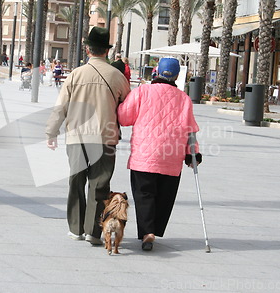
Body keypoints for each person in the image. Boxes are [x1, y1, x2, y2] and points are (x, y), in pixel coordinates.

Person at [46, 27, 131, 245]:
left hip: (77, 138)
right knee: (99, 186)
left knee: (76, 182)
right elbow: (128, 108)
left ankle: (75, 229)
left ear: (87, 49)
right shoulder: (117, 76)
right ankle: (94, 231)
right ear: (107, 51)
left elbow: (60, 107)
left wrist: (52, 132)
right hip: (105, 138)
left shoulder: (76, 74)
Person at [117, 57, 202, 251]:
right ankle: (155, 228)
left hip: (144, 156)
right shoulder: (184, 99)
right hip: (172, 157)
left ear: (156, 72)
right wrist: (193, 153)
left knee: (144, 193)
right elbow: (190, 130)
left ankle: (147, 231)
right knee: (165, 195)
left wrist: (120, 102)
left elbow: (124, 117)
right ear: (177, 76)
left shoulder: (142, 92)